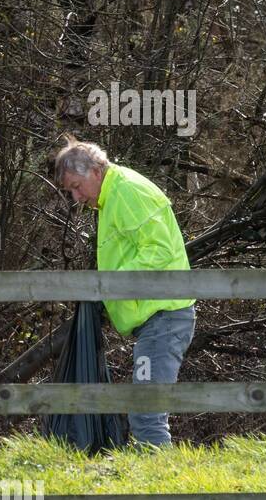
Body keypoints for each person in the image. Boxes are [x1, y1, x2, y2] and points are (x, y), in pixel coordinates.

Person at [53, 136, 196, 445]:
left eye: (77, 186)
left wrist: (111, 284)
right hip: (156, 319)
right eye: (71, 191)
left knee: (146, 413)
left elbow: (159, 251)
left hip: (164, 317)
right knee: (145, 410)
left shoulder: (127, 191)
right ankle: (157, 483)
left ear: (95, 171)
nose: (76, 197)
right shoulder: (111, 195)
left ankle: (162, 487)